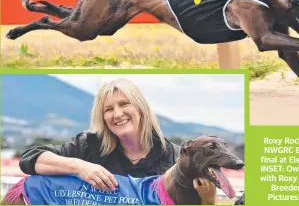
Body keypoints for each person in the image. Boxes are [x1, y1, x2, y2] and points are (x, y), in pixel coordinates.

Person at [19, 77, 216, 203]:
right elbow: (30, 159)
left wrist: (209, 197)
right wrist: (80, 167)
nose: (118, 114)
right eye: (108, 109)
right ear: (102, 117)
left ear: (140, 108)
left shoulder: (173, 156)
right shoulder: (88, 145)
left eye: (124, 104)